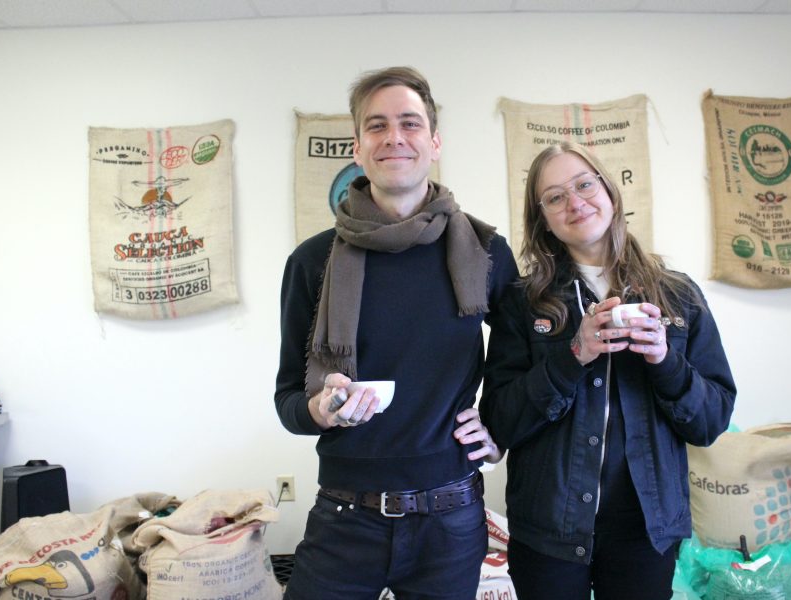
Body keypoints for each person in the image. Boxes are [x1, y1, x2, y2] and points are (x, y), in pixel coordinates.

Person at [274, 66, 517, 600]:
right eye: (377, 125)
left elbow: (520, 358)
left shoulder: (485, 252)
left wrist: (499, 427)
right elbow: (288, 399)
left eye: (410, 123)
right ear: (357, 147)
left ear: (434, 142)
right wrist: (320, 410)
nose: (394, 137)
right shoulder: (312, 261)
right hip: (344, 517)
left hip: (450, 520)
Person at [479, 142, 736, 599]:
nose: (575, 202)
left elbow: (710, 421)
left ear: (610, 193)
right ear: (543, 219)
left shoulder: (677, 296)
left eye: (584, 185)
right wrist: (573, 355)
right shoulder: (523, 302)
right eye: (555, 197)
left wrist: (665, 360)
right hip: (548, 530)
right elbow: (500, 421)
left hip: (646, 529)